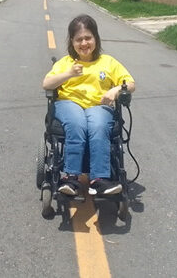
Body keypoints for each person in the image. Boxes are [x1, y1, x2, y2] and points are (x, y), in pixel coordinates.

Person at [42, 14, 135, 196]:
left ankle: (99, 180)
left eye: (88, 38)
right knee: (77, 123)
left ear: (95, 39)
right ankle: (71, 178)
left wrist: (116, 90)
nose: (84, 43)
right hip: (69, 103)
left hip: (98, 106)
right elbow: (47, 84)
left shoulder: (108, 62)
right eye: (79, 39)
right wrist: (68, 74)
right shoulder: (66, 63)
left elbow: (130, 84)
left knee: (98, 126)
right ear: (72, 42)